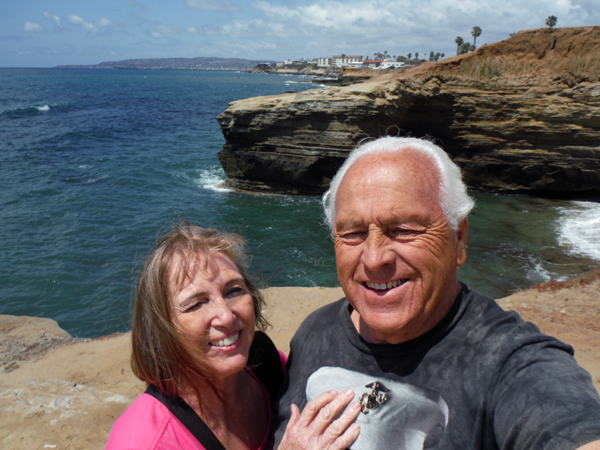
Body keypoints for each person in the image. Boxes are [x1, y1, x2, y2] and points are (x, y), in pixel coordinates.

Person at [274, 136, 600, 450]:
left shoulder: (508, 361)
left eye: (403, 230)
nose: (374, 259)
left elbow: (566, 420)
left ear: (459, 239)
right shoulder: (313, 332)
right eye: (353, 233)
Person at [106, 221, 360, 450]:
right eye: (196, 304)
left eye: (233, 291)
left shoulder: (268, 364)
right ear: (161, 329)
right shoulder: (145, 441)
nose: (226, 316)